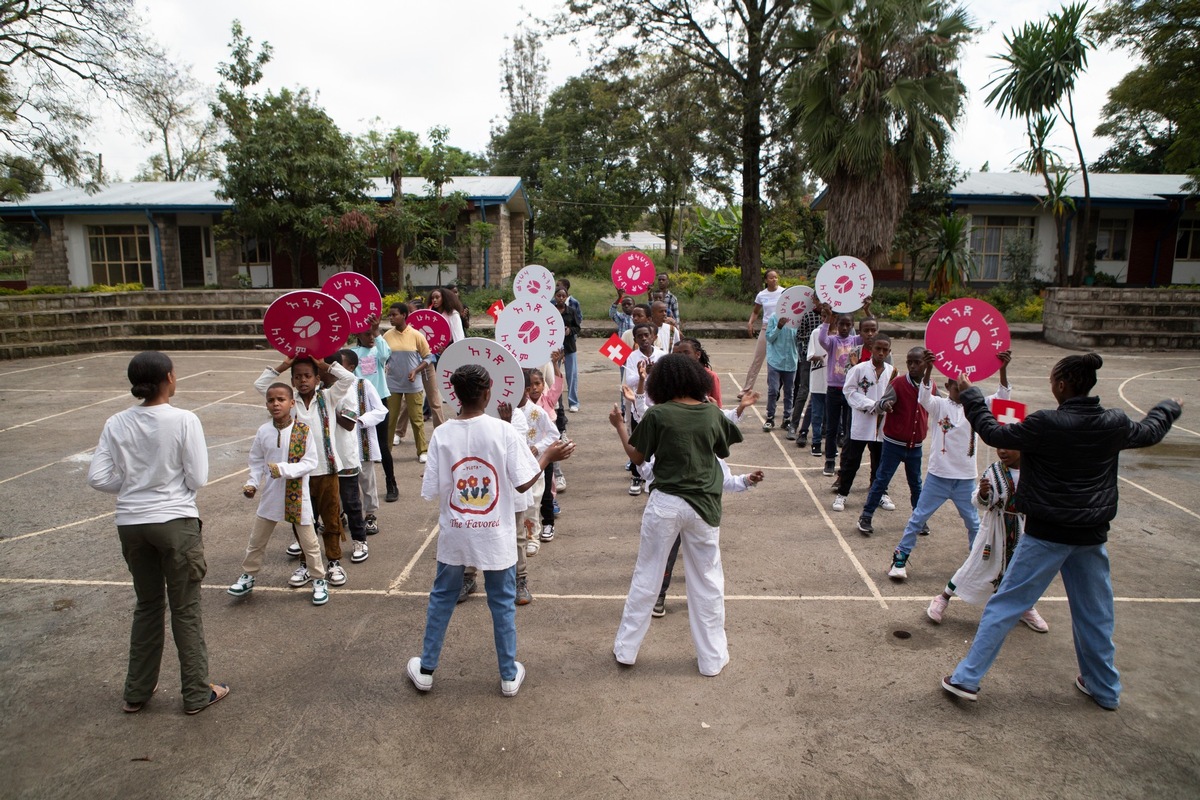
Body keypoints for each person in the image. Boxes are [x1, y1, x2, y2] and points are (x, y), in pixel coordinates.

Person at [941, 353, 1181, 710]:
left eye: (1054, 380)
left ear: (1063, 385)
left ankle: (966, 679)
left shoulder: (1047, 424)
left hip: (1047, 534)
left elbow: (993, 432)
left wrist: (971, 395)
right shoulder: (1112, 421)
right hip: (1090, 535)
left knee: (1005, 605)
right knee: (1095, 615)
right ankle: (1104, 688)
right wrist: (1167, 407)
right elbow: (1150, 431)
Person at [406, 365, 574, 697]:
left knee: (442, 598)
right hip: (495, 533)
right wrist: (548, 456)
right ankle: (508, 675)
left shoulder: (441, 434)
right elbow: (524, 480)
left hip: (456, 532)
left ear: (454, 395)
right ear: (488, 393)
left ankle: (426, 669)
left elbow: (434, 489)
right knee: (501, 602)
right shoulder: (504, 431)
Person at [87, 351, 228, 715]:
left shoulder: (116, 422)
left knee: (147, 605)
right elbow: (197, 478)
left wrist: (135, 482)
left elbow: (98, 477)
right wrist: (161, 484)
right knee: (185, 608)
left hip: (131, 523)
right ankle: (197, 692)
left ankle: (136, 693)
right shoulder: (183, 420)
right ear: (168, 377)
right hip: (175, 522)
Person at [609, 354, 745, 677]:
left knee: (647, 576)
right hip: (703, 506)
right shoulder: (711, 413)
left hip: (665, 504)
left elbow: (637, 456)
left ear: (662, 383)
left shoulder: (657, 414)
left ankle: (626, 650)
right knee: (708, 581)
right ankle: (712, 659)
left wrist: (618, 427)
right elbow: (722, 449)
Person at [887, 351, 1012, 580]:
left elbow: (1003, 396)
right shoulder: (939, 405)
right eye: (956, 386)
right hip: (938, 477)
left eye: (966, 387)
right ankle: (900, 558)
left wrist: (1002, 368)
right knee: (918, 519)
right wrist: (928, 369)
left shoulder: (979, 406)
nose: (961, 391)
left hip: (965, 479)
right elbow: (923, 397)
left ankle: (977, 565)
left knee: (974, 524)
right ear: (947, 385)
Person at [254, 354, 355, 588]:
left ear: (318, 379)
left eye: (308, 376)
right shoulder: (290, 402)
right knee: (301, 521)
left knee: (331, 519)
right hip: (298, 473)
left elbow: (348, 378)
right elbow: (260, 385)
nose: (302, 381)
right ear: (291, 381)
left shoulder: (328, 397)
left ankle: (333, 562)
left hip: (327, 469)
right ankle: (306, 564)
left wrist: (321, 363)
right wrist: (286, 364)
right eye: (297, 377)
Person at [227, 382, 330, 606]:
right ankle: (249, 576)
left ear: (292, 403)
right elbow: (255, 461)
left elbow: (310, 462)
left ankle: (319, 580)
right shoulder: (264, 431)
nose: (276, 404)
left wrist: (282, 469)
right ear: (266, 404)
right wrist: (252, 483)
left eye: (281, 399)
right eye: (271, 400)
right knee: (257, 540)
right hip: (271, 495)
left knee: (309, 542)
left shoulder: (303, 431)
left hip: (297, 496)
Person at [927, 448, 1048, 632]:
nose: (1002, 452)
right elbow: (978, 502)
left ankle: (1026, 608)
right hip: (994, 531)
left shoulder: (1033, 470)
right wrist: (983, 494)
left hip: (1023, 529)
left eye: (1008, 447)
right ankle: (943, 598)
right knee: (975, 566)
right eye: (999, 447)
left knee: (1022, 571)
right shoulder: (994, 471)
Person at [855, 347, 930, 536]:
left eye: (917, 362)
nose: (912, 366)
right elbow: (880, 403)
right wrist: (885, 405)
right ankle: (866, 516)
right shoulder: (898, 384)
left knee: (916, 484)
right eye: (909, 362)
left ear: (926, 364)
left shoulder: (930, 387)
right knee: (881, 480)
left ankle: (919, 519)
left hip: (915, 445)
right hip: (894, 443)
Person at [832, 335, 894, 513]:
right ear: (871, 348)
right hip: (861, 423)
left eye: (885, 350)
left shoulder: (892, 372)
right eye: (878, 349)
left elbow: (893, 395)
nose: (881, 353)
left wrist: (887, 405)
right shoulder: (859, 369)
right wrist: (872, 405)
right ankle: (842, 494)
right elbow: (849, 392)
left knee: (880, 462)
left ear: (889, 351)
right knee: (852, 460)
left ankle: (881, 492)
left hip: (882, 426)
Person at [349, 318, 398, 503]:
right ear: (357, 335)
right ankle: (356, 488)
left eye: (372, 334)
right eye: (366, 334)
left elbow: (386, 353)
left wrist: (377, 332)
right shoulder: (353, 353)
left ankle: (391, 483)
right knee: (358, 446)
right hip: (359, 403)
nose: (370, 337)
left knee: (383, 445)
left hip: (379, 403)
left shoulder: (378, 349)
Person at [383, 302, 435, 463]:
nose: (391, 318)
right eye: (389, 315)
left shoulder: (417, 335)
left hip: (413, 384)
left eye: (394, 315)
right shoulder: (387, 336)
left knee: (417, 419)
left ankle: (422, 451)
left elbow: (428, 357)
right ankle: (387, 450)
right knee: (390, 418)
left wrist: (416, 370)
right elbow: (382, 356)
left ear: (404, 315)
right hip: (392, 383)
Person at [623, 322, 665, 495]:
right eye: (639, 336)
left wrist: (652, 374)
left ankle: (657, 475)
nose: (644, 338)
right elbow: (630, 380)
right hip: (638, 405)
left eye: (646, 335)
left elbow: (667, 378)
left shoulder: (662, 355)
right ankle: (636, 476)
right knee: (639, 442)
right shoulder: (632, 357)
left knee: (659, 441)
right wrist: (644, 375)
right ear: (635, 339)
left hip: (659, 404)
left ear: (653, 336)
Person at [741, 269, 784, 394]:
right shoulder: (761, 295)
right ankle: (747, 388)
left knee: (780, 360)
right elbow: (755, 312)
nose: (774, 279)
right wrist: (750, 323)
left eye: (776, 277)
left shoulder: (783, 292)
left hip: (781, 328)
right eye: (771, 278)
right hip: (767, 327)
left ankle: (777, 389)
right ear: (766, 280)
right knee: (758, 358)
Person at [786, 306, 823, 443]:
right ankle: (794, 425)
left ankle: (823, 429)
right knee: (804, 391)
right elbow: (799, 334)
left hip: (826, 362)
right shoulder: (809, 317)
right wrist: (814, 336)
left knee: (822, 394)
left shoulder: (836, 321)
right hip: (809, 359)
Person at [762, 309, 798, 432]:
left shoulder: (797, 319)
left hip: (790, 361)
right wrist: (779, 327)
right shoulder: (774, 317)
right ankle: (770, 417)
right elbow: (769, 337)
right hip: (775, 360)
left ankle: (787, 418)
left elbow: (799, 339)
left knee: (789, 391)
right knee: (773, 390)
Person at [796, 323, 827, 457]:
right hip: (818, 382)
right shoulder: (817, 332)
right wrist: (821, 358)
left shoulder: (844, 334)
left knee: (833, 416)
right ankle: (814, 440)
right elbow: (810, 355)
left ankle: (832, 442)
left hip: (835, 383)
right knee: (816, 413)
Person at [554, 286, 582, 412]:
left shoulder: (571, 311)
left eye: (563, 296)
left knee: (572, 375)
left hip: (569, 347)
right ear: (555, 297)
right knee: (554, 375)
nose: (560, 298)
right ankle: (554, 401)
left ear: (566, 297)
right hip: (554, 349)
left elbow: (578, 327)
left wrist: (570, 330)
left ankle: (573, 402)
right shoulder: (550, 311)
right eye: (558, 295)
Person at [675, 337, 721, 407]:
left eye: (686, 352)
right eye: (679, 353)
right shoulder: (674, 374)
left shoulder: (710, 376)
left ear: (698, 354)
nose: (682, 356)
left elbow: (717, 406)